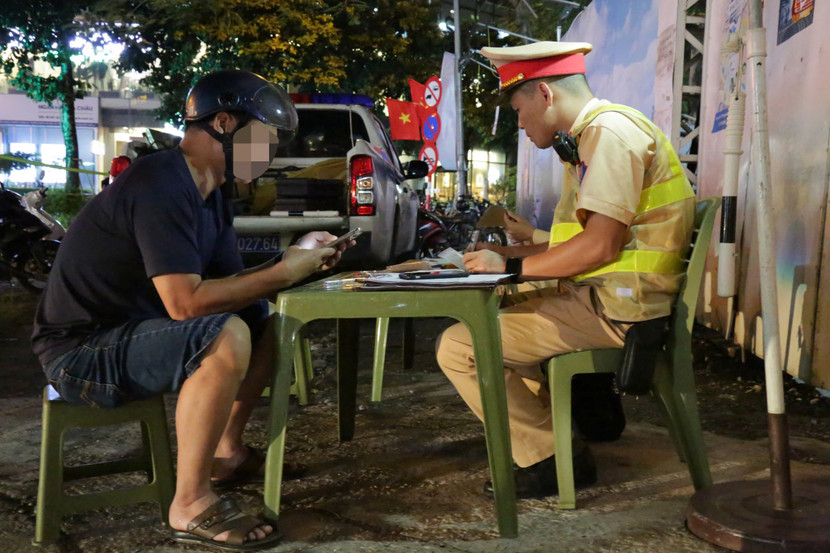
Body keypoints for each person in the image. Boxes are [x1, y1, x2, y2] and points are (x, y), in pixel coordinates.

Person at [32, 70, 352, 550]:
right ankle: (189, 503)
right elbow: (186, 305)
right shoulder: (160, 180)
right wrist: (284, 272)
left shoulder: (211, 192)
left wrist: (297, 257)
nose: (269, 152)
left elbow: (233, 286)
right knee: (224, 334)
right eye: (263, 137)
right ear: (224, 122)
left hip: (134, 332)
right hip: (80, 352)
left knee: (260, 320)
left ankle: (226, 451)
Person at [436, 42, 696, 499]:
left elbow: (598, 246)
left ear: (545, 95)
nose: (518, 123)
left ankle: (550, 460)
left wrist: (511, 270)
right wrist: (510, 259)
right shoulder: (596, 136)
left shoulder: (608, 135)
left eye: (518, 110)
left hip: (620, 307)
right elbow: (589, 240)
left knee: (460, 346)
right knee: (500, 302)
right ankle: (571, 424)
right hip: (615, 297)